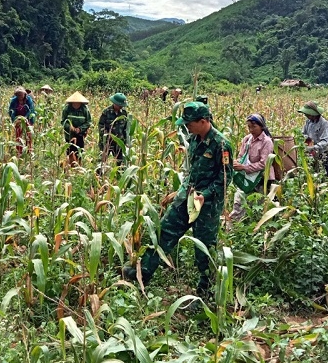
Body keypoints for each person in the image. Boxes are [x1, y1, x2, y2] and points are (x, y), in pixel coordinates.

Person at [123, 102, 233, 296]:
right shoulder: (194, 138)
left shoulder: (221, 144)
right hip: (186, 198)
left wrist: (204, 195)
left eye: (190, 123)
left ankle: (205, 289)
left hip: (206, 206)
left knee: (204, 246)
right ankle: (143, 273)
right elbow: (191, 171)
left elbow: (225, 178)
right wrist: (182, 191)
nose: (186, 126)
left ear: (203, 121)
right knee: (164, 232)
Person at [230, 113, 275, 224]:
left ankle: (258, 230)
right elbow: (241, 156)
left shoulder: (267, 142)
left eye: (254, 127)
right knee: (239, 203)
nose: (251, 130)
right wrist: (237, 163)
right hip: (247, 177)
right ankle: (233, 229)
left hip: (262, 180)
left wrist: (244, 167)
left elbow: (264, 164)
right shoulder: (247, 140)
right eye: (249, 127)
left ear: (262, 126)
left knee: (259, 207)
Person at [298, 101, 328, 177]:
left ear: (313, 114)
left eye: (307, 113)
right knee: (311, 175)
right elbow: (303, 133)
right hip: (311, 154)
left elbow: (325, 141)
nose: (305, 115)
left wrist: (313, 147)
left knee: (324, 177)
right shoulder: (308, 122)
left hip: (322, 154)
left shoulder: (324, 123)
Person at [62, 92, 92, 164]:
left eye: (78, 103)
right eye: (74, 103)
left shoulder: (85, 110)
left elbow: (88, 122)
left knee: (79, 150)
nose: (76, 104)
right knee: (70, 149)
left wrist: (80, 129)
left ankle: (79, 164)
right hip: (69, 134)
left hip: (80, 134)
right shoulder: (67, 109)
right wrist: (70, 127)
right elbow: (63, 121)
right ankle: (70, 164)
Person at [98, 93, 129, 163]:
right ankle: (100, 173)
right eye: (120, 105)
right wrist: (108, 135)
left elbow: (125, 128)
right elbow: (101, 125)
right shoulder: (106, 112)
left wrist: (126, 141)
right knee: (102, 161)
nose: (121, 107)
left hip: (119, 142)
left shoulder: (124, 113)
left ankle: (118, 174)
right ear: (115, 103)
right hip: (107, 142)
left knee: (120, 162)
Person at [8, 86, 36, 156]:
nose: (19, 96)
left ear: (24, 94)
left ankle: (29, 150)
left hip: (28, 118)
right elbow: (11, 111)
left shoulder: (28, 99)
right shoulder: (14, 100)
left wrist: (25, 118)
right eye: (18, 95)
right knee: (18, 135)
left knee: (29, 134)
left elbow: (31, 110)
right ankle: (19, 151)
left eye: (21, 95)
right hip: (18, 119)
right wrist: (15, 119)